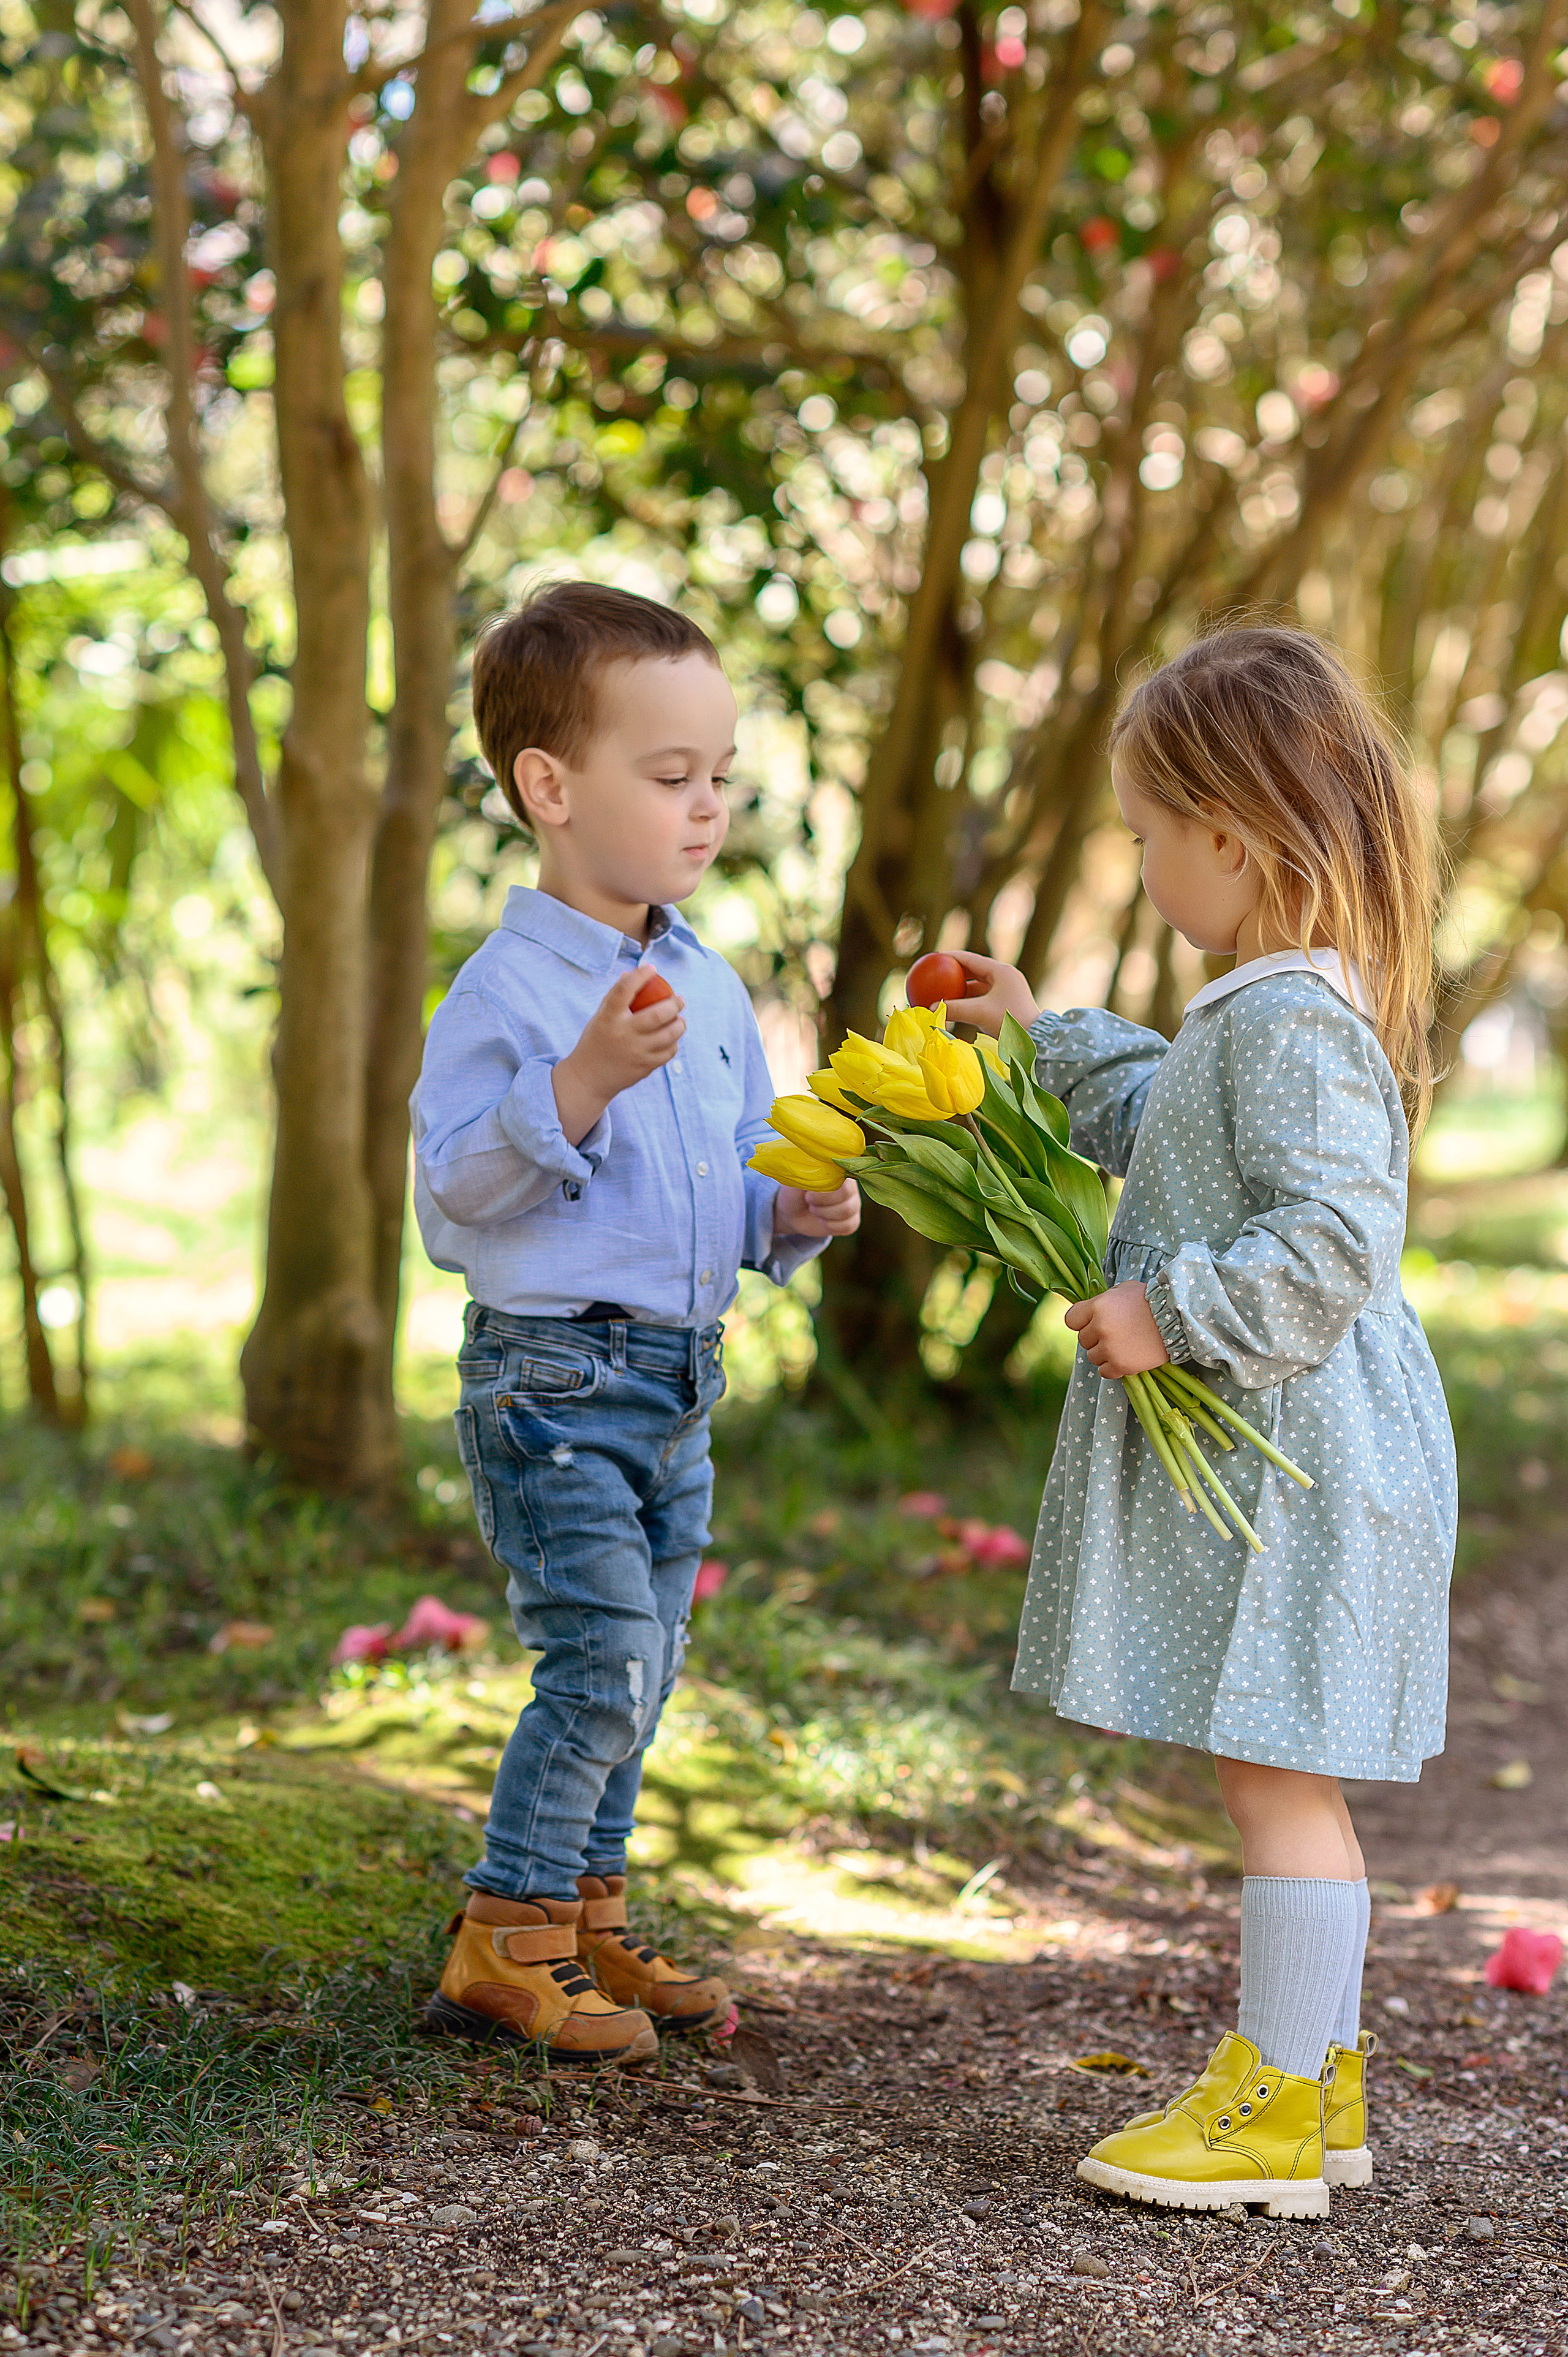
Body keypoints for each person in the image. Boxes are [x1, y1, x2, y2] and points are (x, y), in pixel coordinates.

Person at [943, 625, 1456, 2216]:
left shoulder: (1296, 1021)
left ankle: (1279, 2111)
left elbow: (1331, 1237)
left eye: (1150, 836)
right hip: (1300, 1457)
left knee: (1274, 1773)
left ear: (1228, 838)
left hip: (1308, 1458)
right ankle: (1321, 2083)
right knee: (1277, 1769)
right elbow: (1167, 1117)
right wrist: (1038, 1038)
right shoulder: (1261, 1012)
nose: (1145, 862)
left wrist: (1173, 1316)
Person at [410, 581, 861, 2065]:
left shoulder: (710, 983)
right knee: (599, 1652)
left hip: (674, 1379)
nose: (706, 806)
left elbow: (713, 1191)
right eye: (671, 778)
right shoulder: (512, 989)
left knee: (646, 1656)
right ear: (550, 787)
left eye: (719, 776)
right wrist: (583, 1081)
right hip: (551, 1379)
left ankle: (585, 1908)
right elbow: (453, 1198)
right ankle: (504, 1930)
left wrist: (783, 1217)